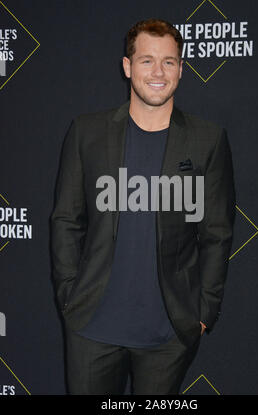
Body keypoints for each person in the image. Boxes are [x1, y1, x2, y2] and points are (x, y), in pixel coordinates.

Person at [50, 18, 236, 395]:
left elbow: (216, 233)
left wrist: (203, 313)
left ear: (181, 70)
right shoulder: (87, 132)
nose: (157, 72)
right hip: (91, 328)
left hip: (168, 334)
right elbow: (67, 220)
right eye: (146, 60)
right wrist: (69, 295)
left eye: (169, 62)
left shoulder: (207, 140)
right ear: (127, 66)